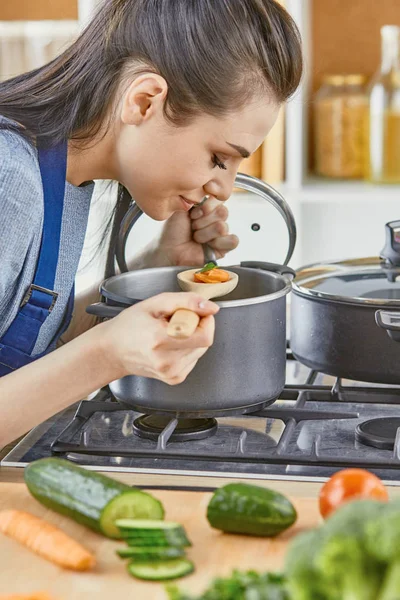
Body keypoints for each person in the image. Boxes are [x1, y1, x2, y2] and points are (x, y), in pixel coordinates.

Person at [0, 0, 302, 448]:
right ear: (145, 101)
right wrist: (107, 354)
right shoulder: (9, 179)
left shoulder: (65, 178)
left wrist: (157, 265)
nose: (222, 188)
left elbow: (26, 341)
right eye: (219, 158)